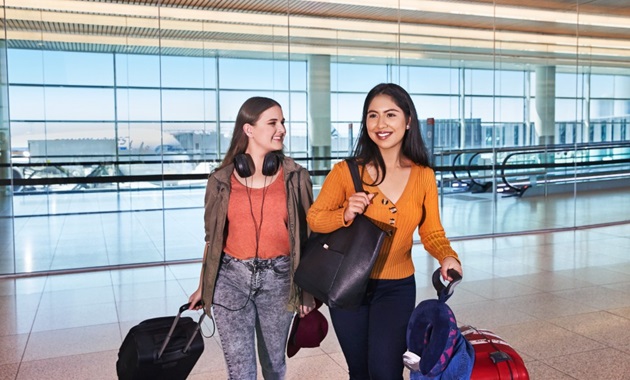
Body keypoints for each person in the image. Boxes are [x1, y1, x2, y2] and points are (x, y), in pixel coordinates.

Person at [306, 83, 463, 380]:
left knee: (386, 371)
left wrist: (447, 256)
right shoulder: (345, 172)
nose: (381, 124)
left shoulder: (423, 176)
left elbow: (432, 232)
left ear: (408, 121)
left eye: (390, 115)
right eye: (373, 116)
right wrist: (345, 213)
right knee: (360, 371)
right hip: (348, 284)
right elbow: (315, 219)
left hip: (396, 287)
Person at [188, 96, 316, 380]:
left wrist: (307, 292)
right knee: (241, 372)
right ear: (248, 129)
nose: (281, 128)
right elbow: (212, 240)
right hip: (230, 279)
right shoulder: (220, 180)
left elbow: (308, 239)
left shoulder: (296, 177)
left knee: (274, 366)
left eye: (282, 122)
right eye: (272, 122)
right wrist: (203, 287)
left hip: (280, 280)